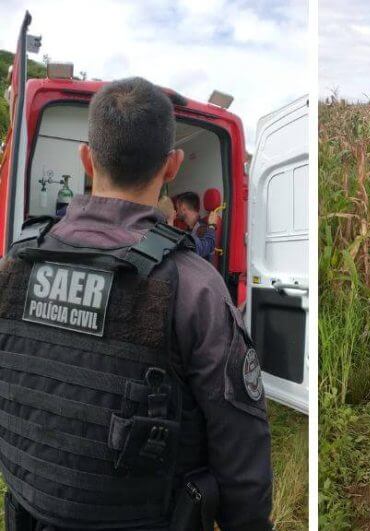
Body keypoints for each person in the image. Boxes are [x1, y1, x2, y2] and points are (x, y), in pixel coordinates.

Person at [0, 77, 272, 530]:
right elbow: (239, 439)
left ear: (86, 158)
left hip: (29, 513)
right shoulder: (193, 286)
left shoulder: (16, 262)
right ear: (172, 166)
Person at [175, 191, 221, 262]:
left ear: (183, 208)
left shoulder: (202, 229)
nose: (176, 212)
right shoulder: (191, 229)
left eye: (177, 208)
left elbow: (203, 249)